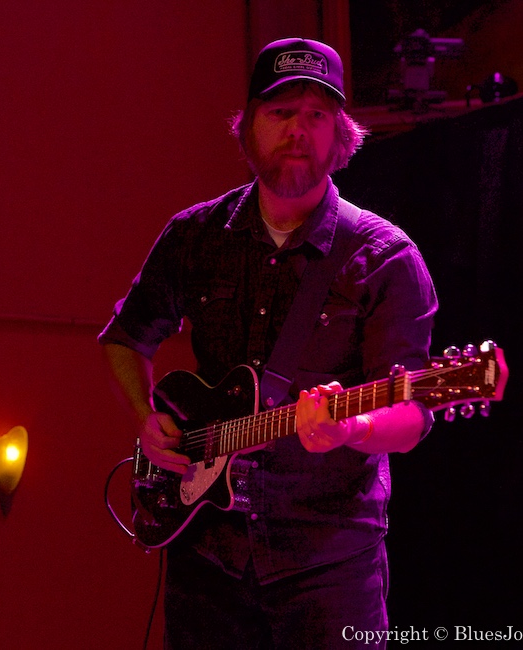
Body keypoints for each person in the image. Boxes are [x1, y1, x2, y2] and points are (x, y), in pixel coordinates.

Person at [100, 37, 439, 649]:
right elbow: (126, 337)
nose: (297, 130)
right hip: (206, 559)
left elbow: (412, 416)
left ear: (342, 136)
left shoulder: (386, 258)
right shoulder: (196, 236)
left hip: (328, 564)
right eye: (280, 112)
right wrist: (146, 418)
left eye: (316, 115)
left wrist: (350, 429)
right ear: (248, 128)